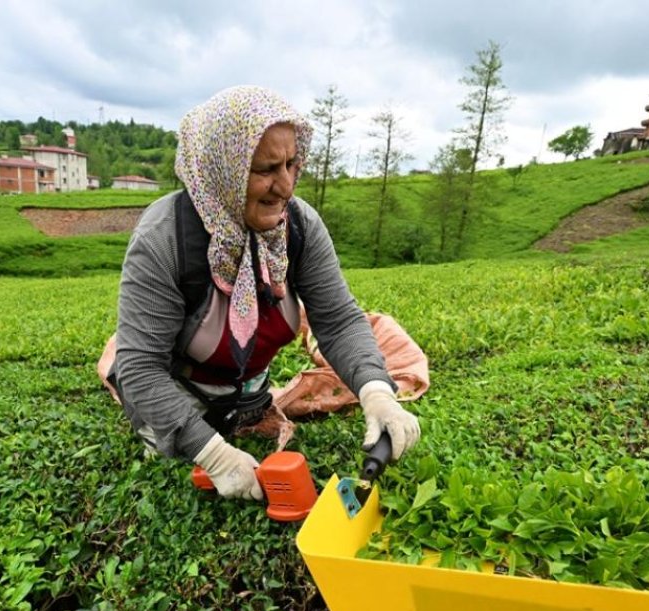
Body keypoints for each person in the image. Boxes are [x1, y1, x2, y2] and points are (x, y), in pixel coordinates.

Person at [109, 85, 420, 500]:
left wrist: (377, 393)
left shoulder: (298, 226)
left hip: (249, 395)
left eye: (292, 164)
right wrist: (214, 454)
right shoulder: (163, 239)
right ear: (224, 168)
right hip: (180, 396)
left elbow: (338, 319)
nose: (286, 185)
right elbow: (141, 367)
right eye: (266, 169)